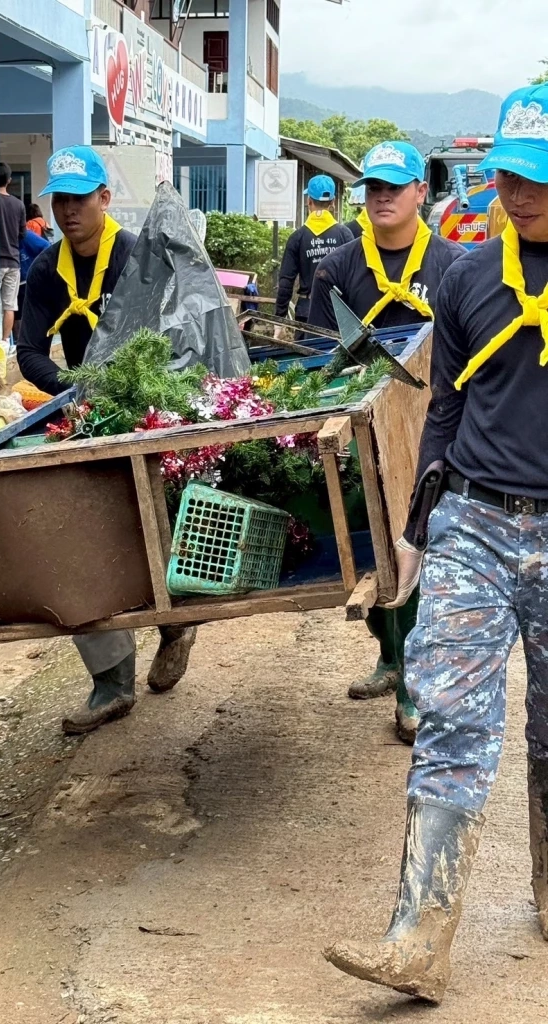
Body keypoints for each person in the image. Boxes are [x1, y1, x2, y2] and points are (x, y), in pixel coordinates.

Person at [323, 81, 548, 1004]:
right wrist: (420, 529)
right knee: (452, 717)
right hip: (478, 524)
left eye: (535, 176)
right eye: (507, 174)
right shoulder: (465, 277)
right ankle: (420, 935)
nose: (518, 192)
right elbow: (446, 411)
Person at [17, 146, 197, 734]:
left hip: (149, 404)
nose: (69, 210)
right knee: (79, 535)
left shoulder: (137, 257)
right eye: (59, 200)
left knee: (160, 520)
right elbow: (27, 352)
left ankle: (175, 624)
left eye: (80, 198)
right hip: (86, 411)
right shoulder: (45, 270)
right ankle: (111, 680)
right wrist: (72, 386)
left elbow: (180, 330)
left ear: (105, 199)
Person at [307, 141, 465, 743]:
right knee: (369, 550)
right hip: (359, 430)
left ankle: (411, 687)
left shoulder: (452, 265)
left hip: (430, 430)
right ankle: (389, 652)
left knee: (415, 551)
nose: (381, 197)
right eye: (373, 187)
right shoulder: (338, 268)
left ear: (421, 193)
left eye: (394, 187)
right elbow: (319, 354)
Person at [275, 175, 353, 327]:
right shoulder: (345, 235)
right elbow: (355, 278)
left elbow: (286, 282)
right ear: (333, 202)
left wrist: (279, 321)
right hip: (339, 314)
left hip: (306, 312)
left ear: (308, 201)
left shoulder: (297, 237)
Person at [0, 161, 26, 344]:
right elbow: (23, 234)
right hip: (13, 262)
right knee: (9, 305)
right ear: (9, 180)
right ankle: (5, 342)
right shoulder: (19, 205)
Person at [13, 228, 50, 342]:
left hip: (26, 281)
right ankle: (18, 341)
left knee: (22, 313)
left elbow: (46, 246)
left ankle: (25, 340)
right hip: (17, 280)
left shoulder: (26, 236)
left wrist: (37, 267)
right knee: (15, 312)